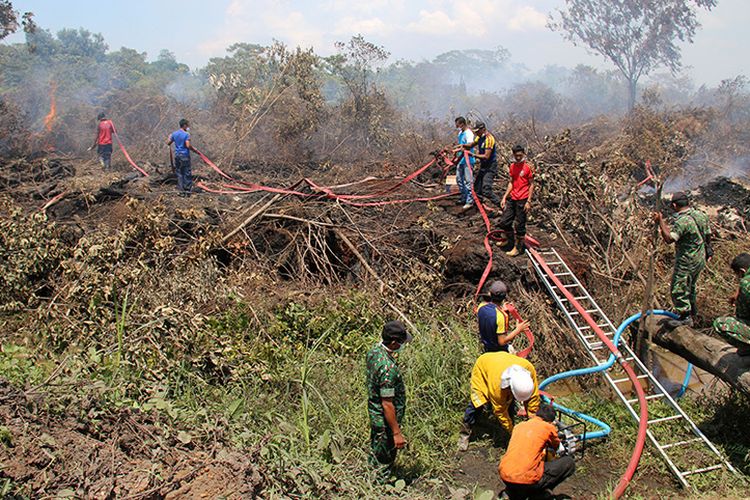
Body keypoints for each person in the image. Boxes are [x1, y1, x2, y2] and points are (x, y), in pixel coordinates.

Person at [458, 351, 540, 451]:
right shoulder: (497, 387)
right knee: (477, 403)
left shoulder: (529, 369)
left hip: (502, 361)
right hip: (484, 365)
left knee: (510, 404)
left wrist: (533, 419)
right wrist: (513, 432)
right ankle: (465, 433)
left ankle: (509, 429)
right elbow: (500, 411)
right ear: (509, 387)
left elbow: (533, 397)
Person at [653, 191, 712, 328]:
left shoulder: (682, 221)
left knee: (678, 288)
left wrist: (660, 221)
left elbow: (669, 239)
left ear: (674, 205)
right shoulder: (701, 215)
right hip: (700, 258)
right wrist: (708, 250)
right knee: (690, 286)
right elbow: (708, 234)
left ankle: (685, 316)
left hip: (687, 260)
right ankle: (693, 314)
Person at [499, 403, 576, 500]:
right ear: (550, 421)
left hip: (505, 474)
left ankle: (511, 492)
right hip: (526, 480)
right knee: (569, 463)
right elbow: (557, 447)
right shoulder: (548, 427)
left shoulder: (519, 426)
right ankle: (540, 493)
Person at [366, 320, 412, 471]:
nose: (402, 346)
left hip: (375, 413)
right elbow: (387, 403)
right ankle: (381, 487)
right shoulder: (387, 369)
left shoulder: (374, 352)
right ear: (393, 343)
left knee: (376, 450)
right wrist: (396, 432)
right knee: (384, 460)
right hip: (385, 421)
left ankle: (372, 474)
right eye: (401, 342)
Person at [498, 145, 535, 257]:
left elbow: (532, 184)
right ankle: (508, 240)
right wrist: (505, 196)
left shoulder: (528, 167)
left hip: (522, 199)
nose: (518, 157)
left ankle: (518, 248)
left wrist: (529, 201)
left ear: (523, 153)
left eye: (520, 155)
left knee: (519, 225)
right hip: (513, 198)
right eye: (516, 155)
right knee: (504, 221)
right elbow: (511, 182)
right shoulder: (512, 166)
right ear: (513, 155)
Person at [476, 280, 529, 353]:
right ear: (504, 297)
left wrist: (501, 309)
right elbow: (502, 342)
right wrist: (518, 329)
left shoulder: (481, 307)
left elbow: (490, 315)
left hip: (486, 347)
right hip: (498, 350)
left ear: (490, 293)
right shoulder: (501, 316)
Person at [713, 252, 750, 355]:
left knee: (720, 324)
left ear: (742, 272)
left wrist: (740, 298)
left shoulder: (745, 284)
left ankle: (747, 348)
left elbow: (743, 314)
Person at [463, 122, 501, 209]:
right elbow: (471, 145)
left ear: (483, 129)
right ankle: (480, 207)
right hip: (483, 166)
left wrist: (473, 155)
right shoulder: (479, 137)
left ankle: (501, 205)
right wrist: (462, 146)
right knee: (476, 189)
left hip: (490, 166)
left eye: (478, 131)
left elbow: (486, 156)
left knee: (486, 189)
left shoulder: (489, 139)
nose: (476, 133)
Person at [167, 119, 196, 196]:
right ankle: (187, 191)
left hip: (177, 156)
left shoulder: (174, 133)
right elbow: (187, 145)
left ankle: (181, 191)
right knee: (187, 172)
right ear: (184, 125)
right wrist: (193, 149)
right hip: (185, 156)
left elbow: (168, 143)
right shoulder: (186, 134)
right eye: (187, 125)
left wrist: (169, 137)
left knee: (179, 173)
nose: (188, 127)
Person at [453, 116, 476, 210]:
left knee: (468, 181)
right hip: (461, 160)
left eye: (458, 125)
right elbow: (460, 145)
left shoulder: (469, 134)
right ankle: (463, 197)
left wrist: (458, 148)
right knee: (459, 179)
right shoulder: (460, 133)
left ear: (462, 124)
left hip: (468, 160)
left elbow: (468, 146)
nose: (457, 127)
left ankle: (470, 201)